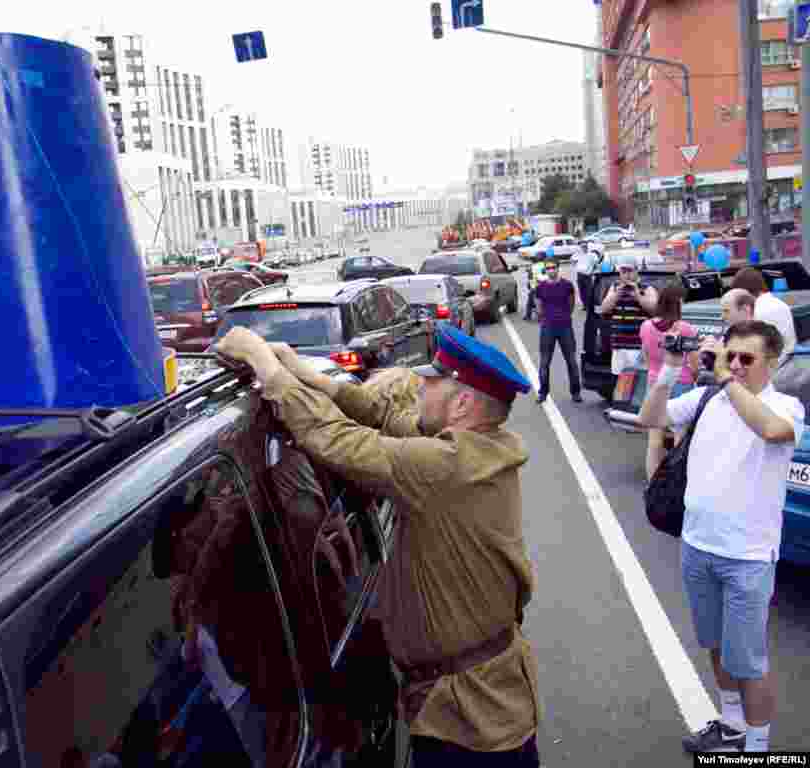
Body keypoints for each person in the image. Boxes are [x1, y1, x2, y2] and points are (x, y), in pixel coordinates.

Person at [215, 323, 542, 767]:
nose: (420, 387)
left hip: (470, 723)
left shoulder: (443, 467)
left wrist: (263, 362)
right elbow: (387, 416)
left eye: (430, 382)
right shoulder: (476, 449)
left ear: (461, 403)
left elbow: (336, 439)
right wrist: (306, 374)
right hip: (477, 703)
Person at [638, 321, 804, 754]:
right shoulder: (710, 398)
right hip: (697, 547)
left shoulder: (785, 406)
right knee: (715, 644)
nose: (734, 365)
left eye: (746, 358)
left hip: (747, 557)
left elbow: (770, 430)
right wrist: (669, 371)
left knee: (748, 661)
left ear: (772, 361)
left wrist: (727, 380)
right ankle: (731, 726)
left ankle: (758, 747)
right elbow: (650, 419)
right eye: (730, 355)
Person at [638, 280, 698, 480]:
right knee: (680, 437)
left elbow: (646, 356)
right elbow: (694, 362)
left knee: (654, 439)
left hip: (655, 382)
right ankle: (677, 482)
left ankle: (653, 483)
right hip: (682, 382)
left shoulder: (646, 326)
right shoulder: (686, 329)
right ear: (678, 303)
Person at [598, 251, 659, 376]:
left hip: (639, 347)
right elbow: (604, 309)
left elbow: (655, 310)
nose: (626, 275)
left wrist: (638, 296)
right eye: (623, 271)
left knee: (639, 383)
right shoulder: (615, 288)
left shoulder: (647, 288)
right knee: (619, 384)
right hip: (619, 347)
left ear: (637, 271)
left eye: (629, 271)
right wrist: (616, 295)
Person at [534, 260, 581, 404]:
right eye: (548, 268)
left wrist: (565, 315)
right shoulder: (540, 287)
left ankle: (575, 392)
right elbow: (538, 306)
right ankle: (543, 392)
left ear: (558, 269)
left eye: (553, 267)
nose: (551, 270)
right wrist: (544, 317)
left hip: (565, 326)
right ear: (545, 271)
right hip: (547, 328)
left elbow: (571, 303)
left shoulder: (567, 285)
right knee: (544, 362)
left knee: (571, 361)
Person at [731, 268, 796, 362]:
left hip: (772, 368)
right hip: (787, 365)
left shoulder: (758, 310)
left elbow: (753, 348)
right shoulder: (780, 303)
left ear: (745, 291)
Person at [574, 240, 600, 312]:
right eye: (582, 246)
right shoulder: (577, 254)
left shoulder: (592, 255)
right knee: (582, 292)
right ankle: (585, 305)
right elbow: (572, 261)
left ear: (587, 247)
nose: (584, 248)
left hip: (588, 276)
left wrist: (592, 271)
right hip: (580, 275)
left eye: (585, 246)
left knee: (589, 292)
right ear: (580, 247)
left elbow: (596, 264)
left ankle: (590, 306)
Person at [523, 257, 549, 322]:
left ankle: (528, 315)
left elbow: (530, 278)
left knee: (530, 301)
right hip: (549, 286)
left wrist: (531, 285)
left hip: (536, 287)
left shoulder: (533, 266)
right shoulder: (547, 265)